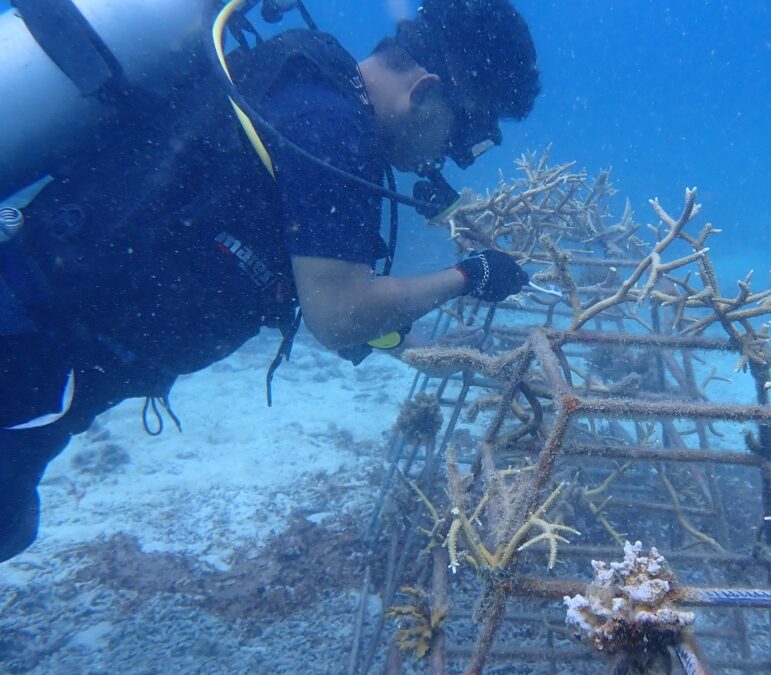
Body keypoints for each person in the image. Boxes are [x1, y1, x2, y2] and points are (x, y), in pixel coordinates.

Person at [0, 0, 539, 562]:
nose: (449, 158)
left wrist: (409, 344)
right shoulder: (332, 132)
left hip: (45, 344)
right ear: (425, 91)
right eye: (465, 135)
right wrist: (469, 275)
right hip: (32, 348)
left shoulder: (301, 87)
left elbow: (314, 285)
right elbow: (339, 315)